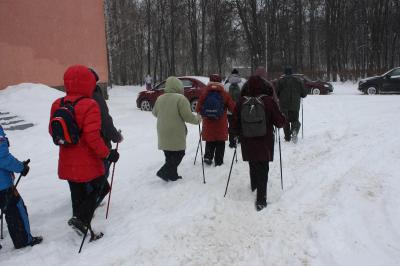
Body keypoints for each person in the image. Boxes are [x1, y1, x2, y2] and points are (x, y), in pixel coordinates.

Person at [49, 65, 119, 235]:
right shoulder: (90, 104)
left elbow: (52, 131)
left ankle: (78, 221)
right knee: (101, 188)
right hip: (87, 161)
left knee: (77, 193)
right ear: (88, 82)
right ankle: (81, 220)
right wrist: (108, 154)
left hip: (67, 159)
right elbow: (92, 138)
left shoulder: (58, 103)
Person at [232, 75, 286, 211]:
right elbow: (280, 122)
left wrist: (237, 134)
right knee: (263, 168)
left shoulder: (241, 101)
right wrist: (283, 117)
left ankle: (254, 186)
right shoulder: (268, 101)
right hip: (264, 142)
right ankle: (261, 199)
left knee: (253, 163)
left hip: (247, 141)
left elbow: (234, 123)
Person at [0, 125, 42, 249]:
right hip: (2, 185)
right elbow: (2, 157)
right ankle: (23, 240)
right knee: (15, 209)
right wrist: (21, 167)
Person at [152, 76, 201, 182]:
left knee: (169, 153)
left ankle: (172, 175)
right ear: (179, 87)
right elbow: (187, 116)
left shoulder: (160, 98)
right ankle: (164, 171)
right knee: (179, 153)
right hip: (175, 131)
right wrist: (198, 119)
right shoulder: (180, 98)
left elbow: (154, 113)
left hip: (162, 129)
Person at [89, 68, 123, 204]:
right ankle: (93, 200)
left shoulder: (69, 97)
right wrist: (116, 137)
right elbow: (105, 120)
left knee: (87, 172)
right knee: (102, 172)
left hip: (81, 145)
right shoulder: (95, 95)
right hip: (99, 142)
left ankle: (85, 196)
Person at [196, 74, 235, 166]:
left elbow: (197, 108)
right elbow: (233, 108)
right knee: (220, 142)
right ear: (220, 82)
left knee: (210, 140)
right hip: (221, 123)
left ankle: (208, 156)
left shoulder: (204, 93)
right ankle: (218, 160)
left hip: (208, 123)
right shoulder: (225, 94)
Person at [276, 66, 307, 143]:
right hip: (295, 105)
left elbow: (276, 93)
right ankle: (294, 131)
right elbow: (304, 94)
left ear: (285, 73)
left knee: (285, 120)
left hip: (284, 105)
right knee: (294, 120)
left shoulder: (280, 81)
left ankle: (287, 137)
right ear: (292, 72)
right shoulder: (298, 81)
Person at [225, 69, 242, 148]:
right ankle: (240, 139)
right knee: (240, 123)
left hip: (229, 110)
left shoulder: (226, 85)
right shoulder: (242, 83)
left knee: (231, 125)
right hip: (240, 109)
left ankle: (232, 142)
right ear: (238, 74)